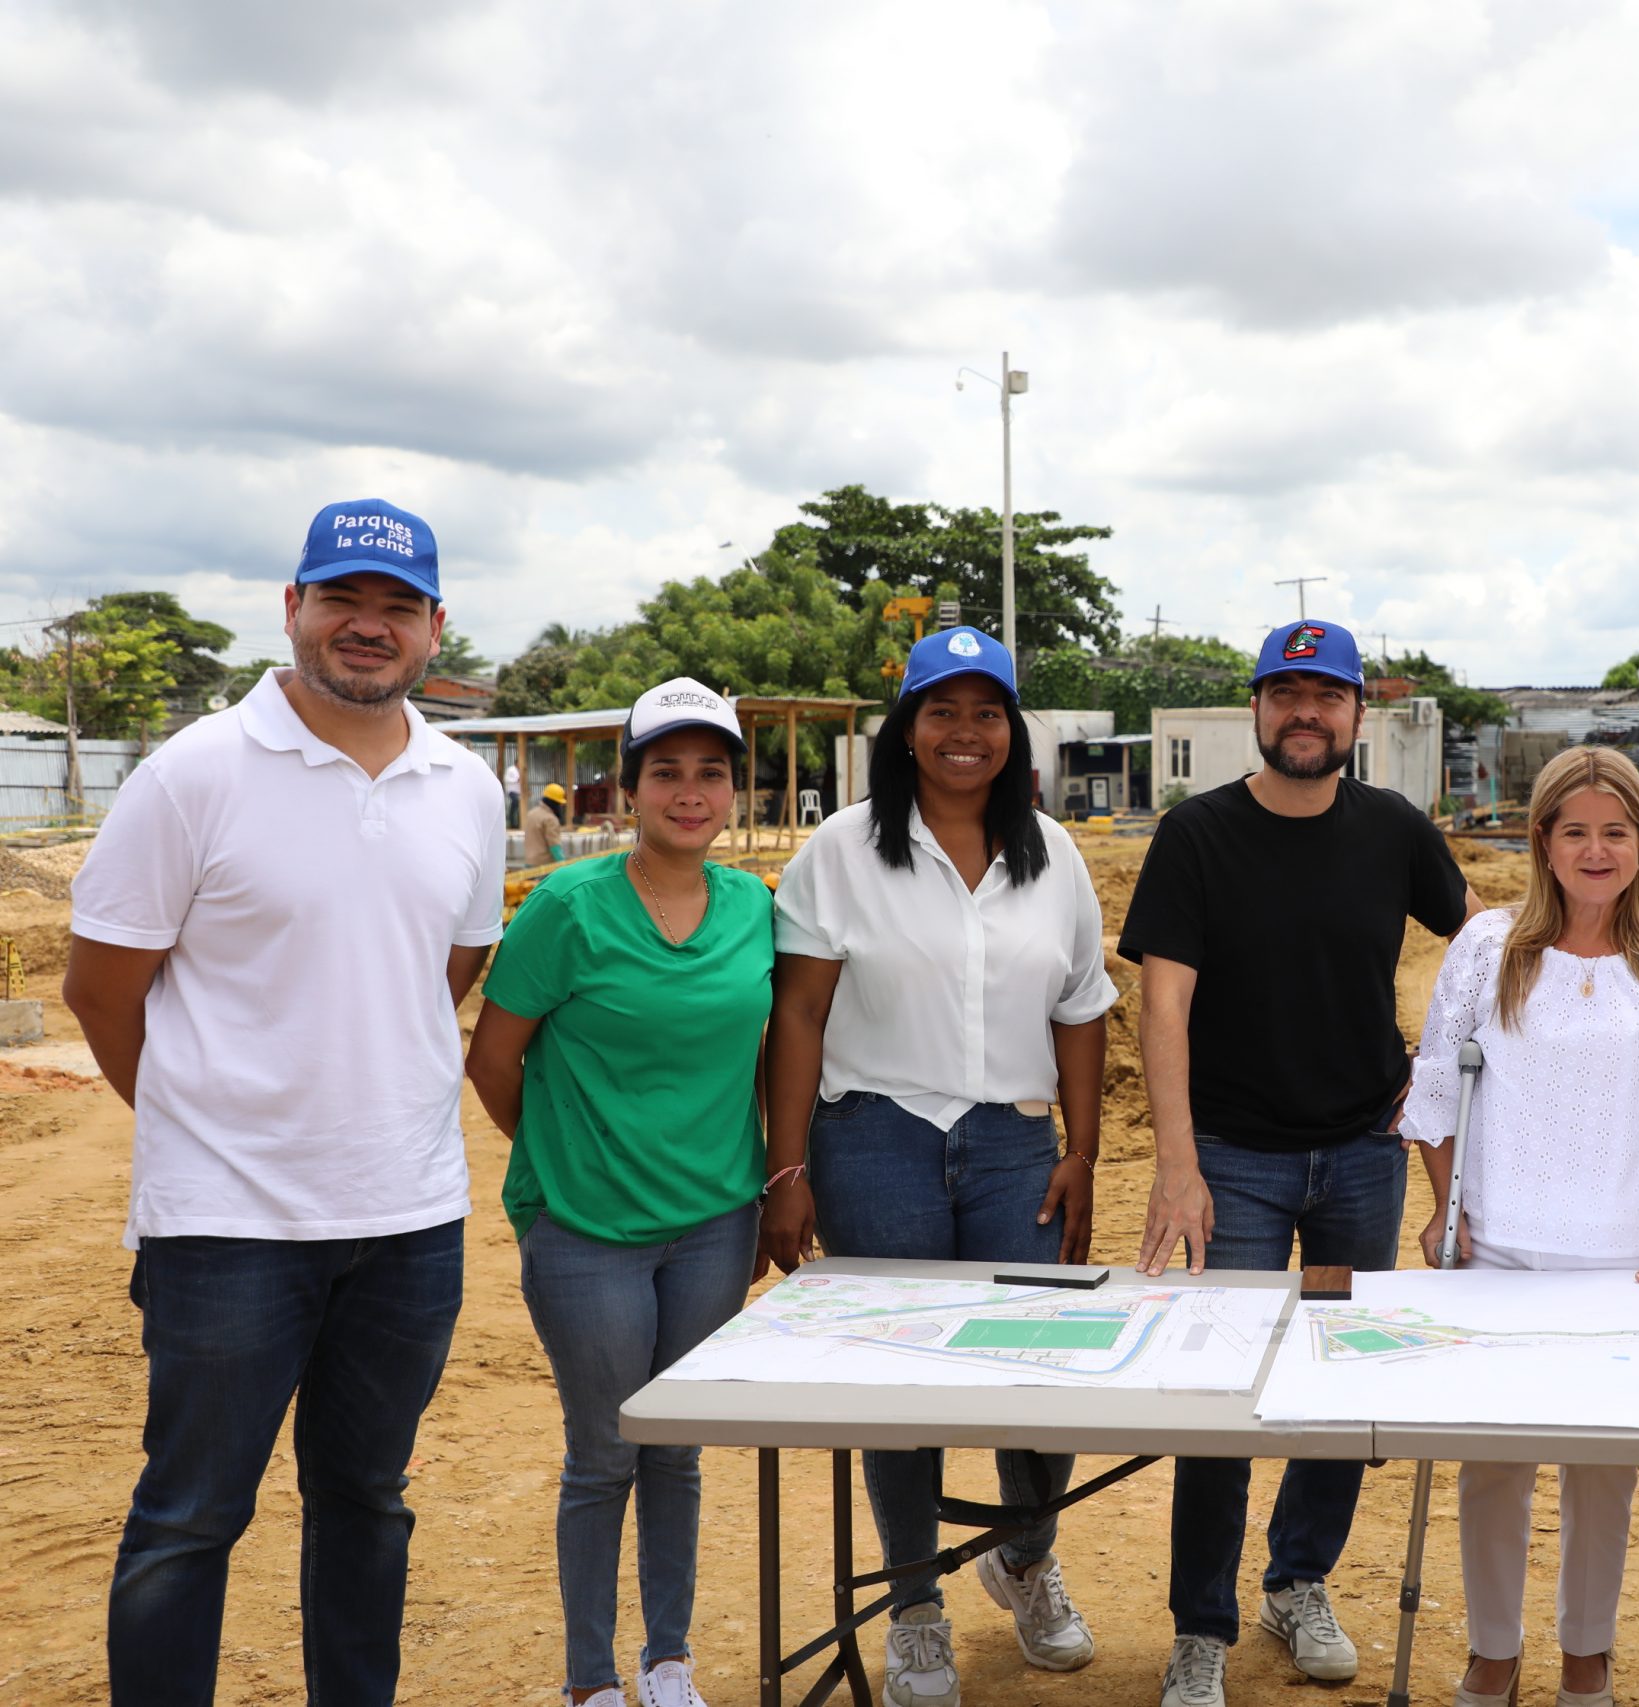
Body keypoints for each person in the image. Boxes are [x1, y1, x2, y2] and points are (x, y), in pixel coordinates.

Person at [64, 499, 506, 1706]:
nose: (368, 627)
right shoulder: (193, 774)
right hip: (228, 1230)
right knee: (190, 1517)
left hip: (410, 1223)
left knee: (367, 1503)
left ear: (433, 626)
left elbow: (447, 973)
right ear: (294, 608)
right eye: (343, 599)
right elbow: (103, 991)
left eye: (397, 607)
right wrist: (207, 1127)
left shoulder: (466, 788)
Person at [1120, 617, 1481, 1707]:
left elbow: (1478, 955)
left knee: (1333, 1392)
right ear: (1257, 710)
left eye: (1327, 696)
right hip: (1231, 1160)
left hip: (1361, 1154)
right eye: (1286, 694)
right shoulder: (1198, 835)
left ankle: (1298, 1581)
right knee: (1218, 1399)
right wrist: (1177, 1165)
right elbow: (1162, 1004)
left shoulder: (1393, 831)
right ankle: (1200, 1628)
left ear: (1358, 715)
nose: (1306, 714)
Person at [759, 626, 1118, 1707]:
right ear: (905, 730)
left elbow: (1081, 1012)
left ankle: (1024, 1559)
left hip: (1015, 1144)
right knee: (897, 1384)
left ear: (1014, 731)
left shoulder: (1052, 855)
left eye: (987, 713)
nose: (965, 733)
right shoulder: (839, 850)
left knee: (1037, 1380)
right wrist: (787, 1171)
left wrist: (1084, 1154)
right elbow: (801, 1013)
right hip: (875, 1139)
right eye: (941, 712)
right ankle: (913, 1604)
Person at [1406, 746, 1639, 1707]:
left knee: (1605, 1469)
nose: (1596, 850)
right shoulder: (1489, 946)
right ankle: (1493, 1650)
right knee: (1493, 1463)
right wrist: (1449, 1203)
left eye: (1615, 831)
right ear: (1543, 842)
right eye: (1575, 832)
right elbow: (1439, 1085)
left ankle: (1588, 1652)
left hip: (1628, 1259)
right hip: (1504, 1250)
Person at [464, 678, 772, 1707]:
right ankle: (591, 1678)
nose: (690, 793)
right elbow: (495, 1059)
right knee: (604, 1455)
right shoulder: (565, 907)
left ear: (733, 788)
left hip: (717, 1227)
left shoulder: (756, 910)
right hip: (587, 1231)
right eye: (667, 773)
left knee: (675, 1449)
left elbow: (775, 1053)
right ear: (628, 789)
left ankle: (668, 1659)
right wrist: (556, 1160)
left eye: (711, 773)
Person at [527, 781, 569, 863]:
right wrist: (564, 866)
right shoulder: (550, 819)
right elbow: (555, 847)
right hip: (545, 867)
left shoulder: (531, 814)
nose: (560, 807)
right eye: (559, 804)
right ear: (554, 803)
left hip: (529, 864)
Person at [506, 756, 524, 828]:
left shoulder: (521, 770)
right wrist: (516, 780)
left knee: (518, 807)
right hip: (512, 790)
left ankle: (518, 824)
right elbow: (506, 779)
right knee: (516, 803)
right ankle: (512, 822)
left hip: (519, 791)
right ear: (516, 763)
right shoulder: (511, 769)